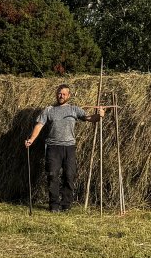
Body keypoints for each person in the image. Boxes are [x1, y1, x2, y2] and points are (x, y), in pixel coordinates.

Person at [24, 84, 103, 212]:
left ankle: (66, 205)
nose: (61, 96)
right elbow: (39, 125)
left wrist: (99, 116)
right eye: (59, 93)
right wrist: (31, 139)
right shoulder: (49, 110)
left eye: (64, 94)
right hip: (53, 147)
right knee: (52, 176)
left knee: (69, 175)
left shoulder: (74, 109)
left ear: (69, 95)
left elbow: (90, 118)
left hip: (69, 147)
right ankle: (54, 205)